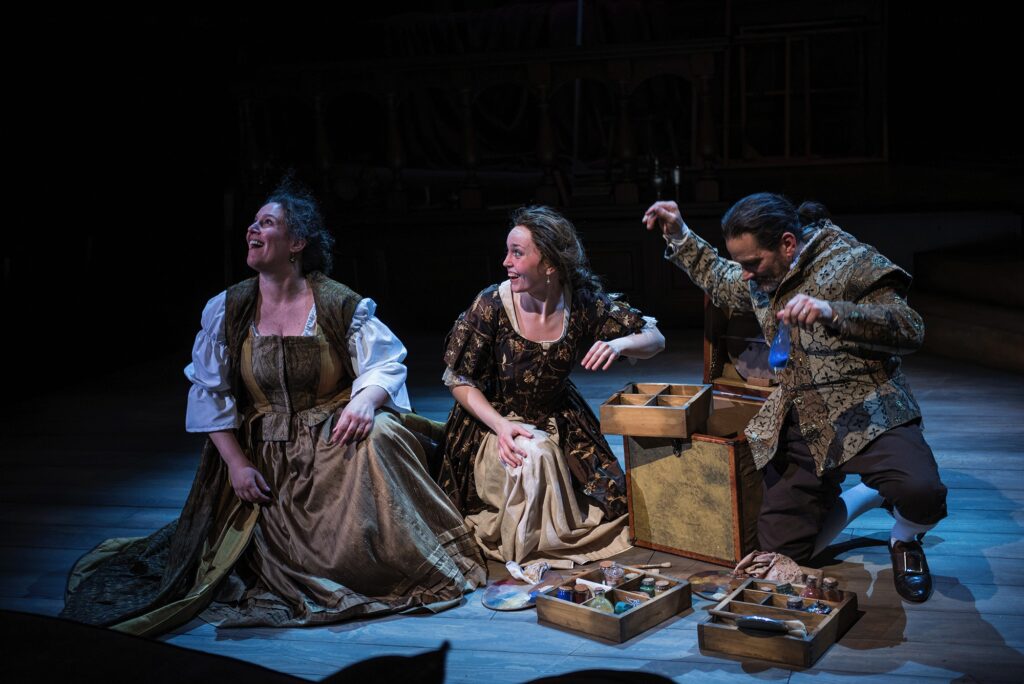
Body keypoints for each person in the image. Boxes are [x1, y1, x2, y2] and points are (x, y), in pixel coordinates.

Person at [62, 180, 485, 635]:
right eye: (252, 222)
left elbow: (385, 364)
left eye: (267, 223)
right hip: (263, 452)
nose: (252, 230)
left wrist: (364, 401)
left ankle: (391, 561)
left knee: (381, 434)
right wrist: (237, 466)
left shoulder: (337, 304)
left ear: (297, 243)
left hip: (329, 438)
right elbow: (210, 394)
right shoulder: (229, 308)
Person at [643, 194, 947, 603]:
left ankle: (905, 538)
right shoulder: (762, 278)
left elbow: (910, 329)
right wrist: (679, 232)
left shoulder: (851, 261)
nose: (746, 275)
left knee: (922, 493)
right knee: (785, 556)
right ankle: (867, 495)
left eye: (753, 263)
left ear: (788, 243)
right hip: (800, 415)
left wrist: (832, 311)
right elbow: (720, 277)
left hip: (866, 405)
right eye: (743, 264)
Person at [437, 206, 665, 565]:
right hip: (490, 423)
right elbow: (458, 380)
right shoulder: (492, 304)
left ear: (550, 266)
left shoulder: (580, 301)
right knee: (535, 457)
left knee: (615, 503)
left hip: (560, 416)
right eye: (508, 251)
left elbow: (655, 338)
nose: (505, 262)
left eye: (517, 253)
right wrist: (501, 426)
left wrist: (618, 344)